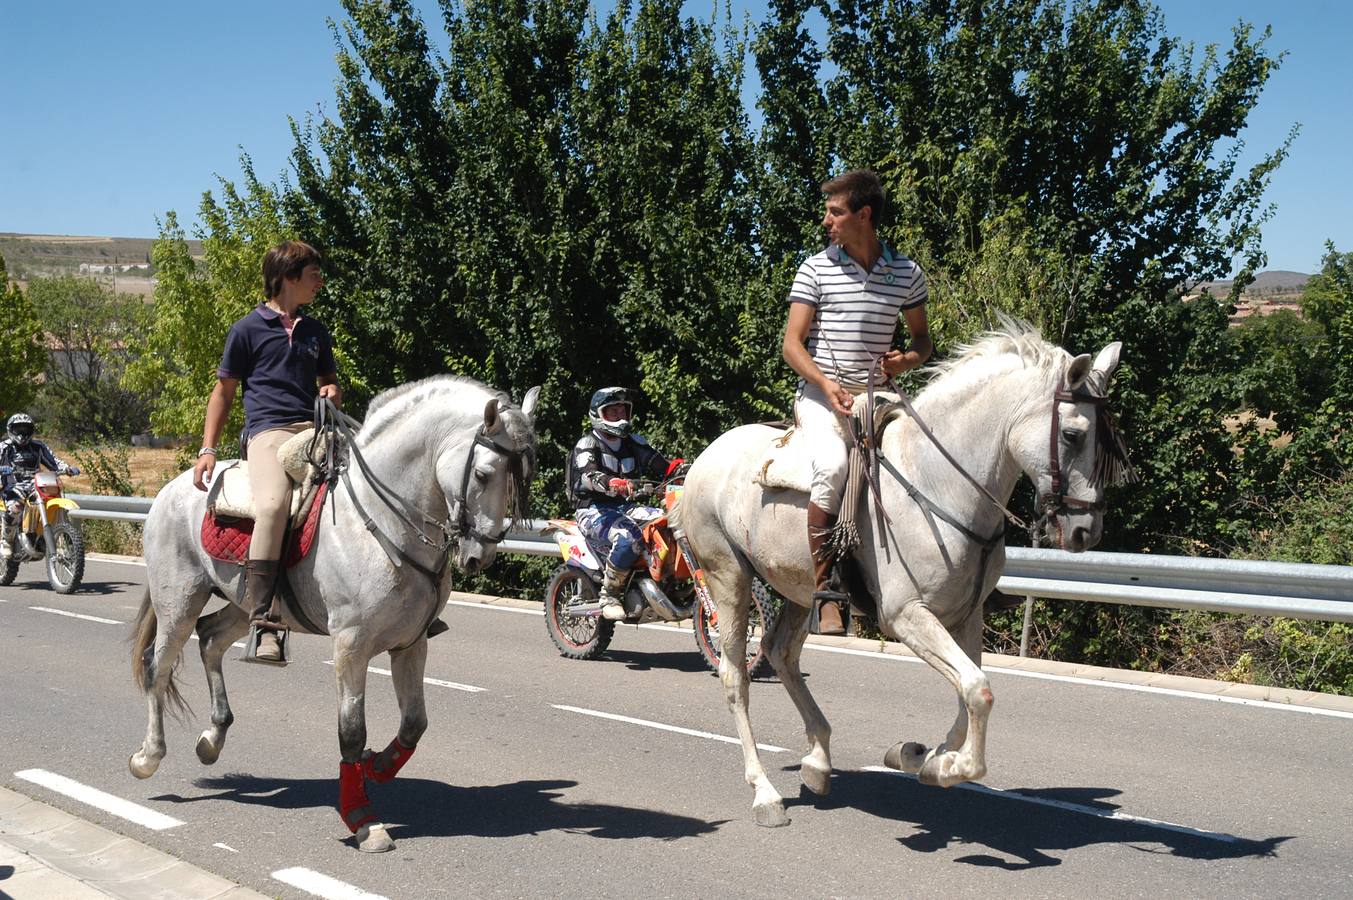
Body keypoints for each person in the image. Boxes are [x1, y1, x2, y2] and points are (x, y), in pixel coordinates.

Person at [782, 169, 932, 635]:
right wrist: (827, 386)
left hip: (877, 397)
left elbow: (923, 342)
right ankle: (827, 593)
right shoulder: (815, 268)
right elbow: (791, 344)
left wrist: (903, 361)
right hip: (822, 398)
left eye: (835, 212)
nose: (827, 221)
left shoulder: (906, 273)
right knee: (831, 468)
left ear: (863, 215)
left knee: (929, 455)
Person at [192, 240, 341, 662]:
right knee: (274, 505)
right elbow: (222, 393)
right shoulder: (246, 330)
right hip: (268, 433)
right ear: (289, 277)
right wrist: (207, 449)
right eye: (314, 274)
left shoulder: (315, 331)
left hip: (315, 430)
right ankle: (263, 622)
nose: (320, 282)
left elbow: (330, 383)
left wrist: (332, 391)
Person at [568, 387, 679, 620]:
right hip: (592, 510)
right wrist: (611, 483)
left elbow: (662, 466)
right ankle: (610, 594)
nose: (620, 417)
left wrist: (683, 470)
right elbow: (588, 475)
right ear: (598, 415)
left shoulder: (633, 443)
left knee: (668, 522)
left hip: (625, 507)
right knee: (627, 536)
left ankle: (663, 580)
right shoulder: (587, 444)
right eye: (612, 412)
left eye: (623, 411)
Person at [0, 413, 80, 560]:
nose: (22, 433)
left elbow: (53, 462)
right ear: (11, 430)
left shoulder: (38, 446)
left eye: (26, 429)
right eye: (19, 429)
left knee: (50, 499)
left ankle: (41, 535)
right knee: (15, 507)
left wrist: (67, 468)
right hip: (12, 486)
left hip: (35, 484)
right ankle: (6, 540)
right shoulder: (4, 447)